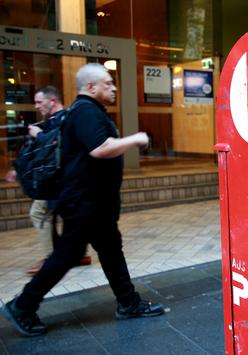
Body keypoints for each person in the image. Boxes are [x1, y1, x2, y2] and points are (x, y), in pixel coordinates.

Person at [2, 63, 164, 337]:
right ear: (91, 87)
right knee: (68, 254)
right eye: (108, 83)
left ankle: (128, 302)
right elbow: (100, 148)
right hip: (84, 202)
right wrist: (136, 139)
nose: (113, 88)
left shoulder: (83, 111)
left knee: (110, 249)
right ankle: (23, 305)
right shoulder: (86, 111)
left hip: (93, 202)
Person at [4, 86, 93, 274]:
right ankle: (76, 254)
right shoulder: (53, 121)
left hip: (58, 184)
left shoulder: (62, 121)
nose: (36, 106)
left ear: (52, 101)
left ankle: (52, 259)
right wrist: (16, 169)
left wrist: (39, 136)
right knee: (62, 217)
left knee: (39, 213)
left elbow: (57, 146)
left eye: (39, 102)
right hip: (59, 184)